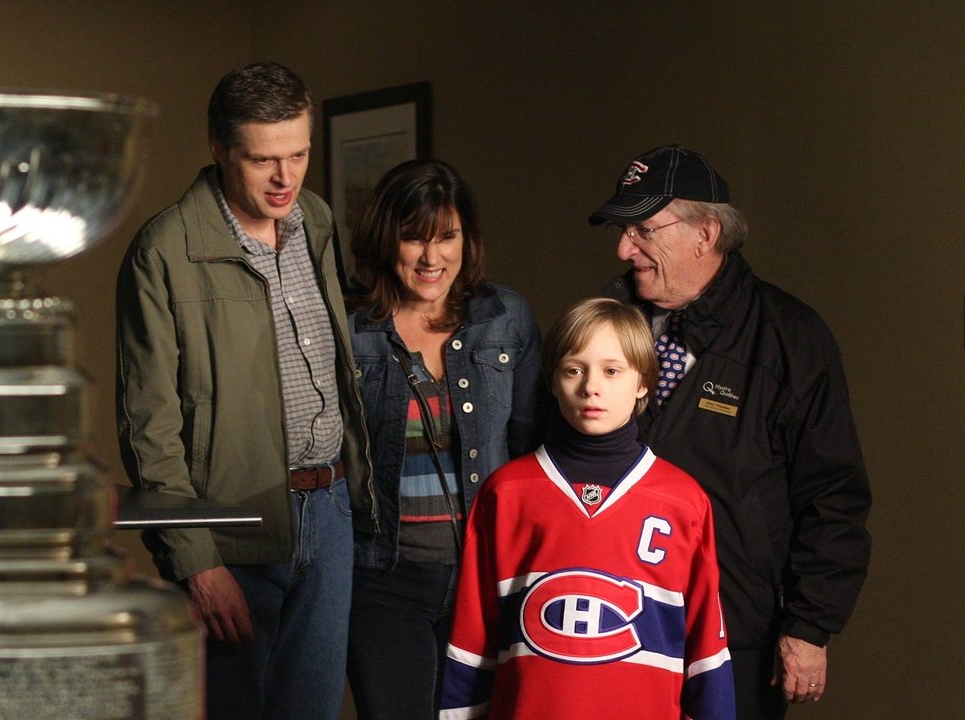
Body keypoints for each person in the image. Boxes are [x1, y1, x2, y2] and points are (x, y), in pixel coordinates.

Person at [114, 61, 373, 720]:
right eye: (263, 161)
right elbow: (150, 427)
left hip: (331, 509)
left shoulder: (315, 220)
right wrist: (196, 561)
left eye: (299, 154)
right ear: (219, 149)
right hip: (233, 528)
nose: (286, 178)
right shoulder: (166, 252)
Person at [587, 145, 872, 718]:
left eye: (643, 229)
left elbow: (833, 496)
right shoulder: (606, 321)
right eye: (622, 231)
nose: (624, 249)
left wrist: (810, 626)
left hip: (736, 628)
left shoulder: (789, 338)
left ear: (706, 233)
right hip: (612, 619)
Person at [439, 297, 735, 719]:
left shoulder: (682, 500)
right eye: (573, 370)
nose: (591, 387)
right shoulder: (507, 492)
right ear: (553, 380)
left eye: (612, 371)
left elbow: (706, 647)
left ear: (643, 382)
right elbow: (471, 643)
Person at [345, 159, 543, 719]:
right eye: (414, 238)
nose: (432, 258)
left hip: (484, 578)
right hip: (381, 578)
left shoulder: (506, 318)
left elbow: (535, 454)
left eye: (447, 237)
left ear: (467, 239)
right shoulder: (350, 327)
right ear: (387, 239)